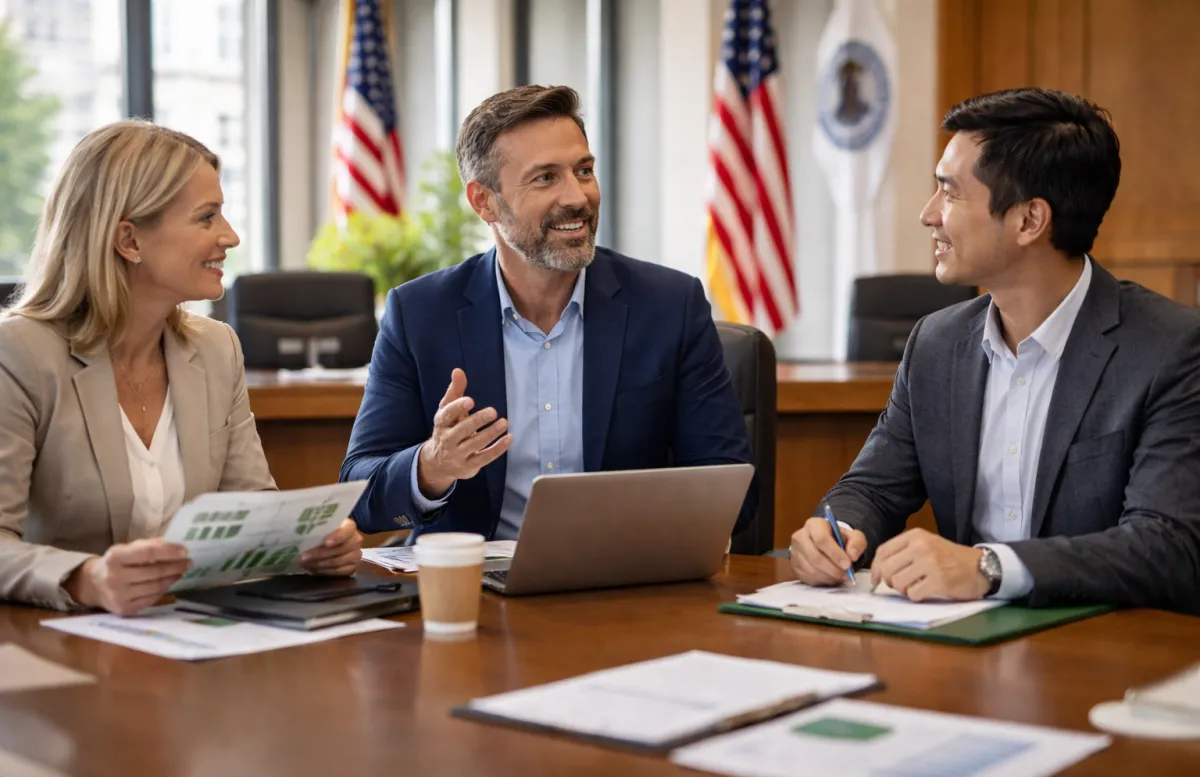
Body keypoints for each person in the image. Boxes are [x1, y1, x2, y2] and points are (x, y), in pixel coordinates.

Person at [789, 88, 1200, 613]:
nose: (928, 214)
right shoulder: (935, 344)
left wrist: (989, 567)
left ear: (1030, 220)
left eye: (950, 193)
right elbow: (873, 488)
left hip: (1098, 651)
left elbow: (1167, 546)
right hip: (958, 648)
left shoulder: (1171, 349)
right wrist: (836, 531)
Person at [341, 84, 755, 542]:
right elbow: (359, 494)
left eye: (584, 170)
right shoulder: (419, 314)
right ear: (484, 202)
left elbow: (735, 493)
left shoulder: (669, 306)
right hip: (475, 591)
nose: (577, 196)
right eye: (545, 178)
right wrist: (432, 466)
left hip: (624, 585)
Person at [0, 120, 363, 615]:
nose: (230, 237)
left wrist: (306, 544)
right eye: (206, 217)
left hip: (188, 638)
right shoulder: (19, 354)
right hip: (56, 648)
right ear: (129, 240)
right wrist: (86, 579)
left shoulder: (216, 349)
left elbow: (250, 506)